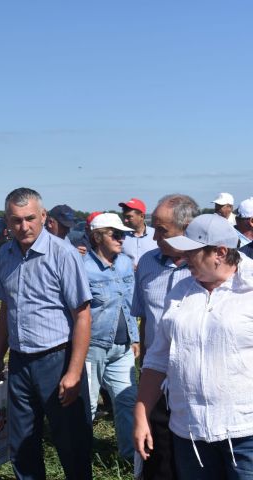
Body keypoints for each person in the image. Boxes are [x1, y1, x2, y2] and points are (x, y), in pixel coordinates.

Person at [134, 214, 253, 479]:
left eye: (192, 253)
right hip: (189, 433)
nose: (184, 259)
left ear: (220, 252)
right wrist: (141, 414)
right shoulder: (181, 293)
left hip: (245, 434)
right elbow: (157, 360)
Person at [0, 187, 93, 480]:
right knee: (22, 444)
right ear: (7, 222)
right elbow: (6, 311)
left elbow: (83, 316)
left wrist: (73, 373)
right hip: (20, 363)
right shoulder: (5, 255)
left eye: (30, 218)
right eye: (16, 220)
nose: (24, 226)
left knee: (72, 444)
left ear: (44, 216)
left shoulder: (63, 254)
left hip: (57, 360)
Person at [131, 193, 198, 480]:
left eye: (162, 230)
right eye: (154, 227)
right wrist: (145, 365)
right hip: (156, 379)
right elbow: (145, 317)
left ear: (186, 230)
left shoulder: (205, 269)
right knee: (158, 460)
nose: (154, 236)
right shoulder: (147, 262)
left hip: (193, 381)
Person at [83, 213, 138, 461]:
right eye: (115, 234)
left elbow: (130, 303)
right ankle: (80, 456)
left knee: (127, 401)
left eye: (123, 234)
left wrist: (134, 337)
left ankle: (129, 457)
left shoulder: (126, 263)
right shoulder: (83, 267)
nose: (121, 238)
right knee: (89, 405)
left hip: (122, 347)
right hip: (93, 346)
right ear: (97, 237)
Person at [119, 198, 157, 268]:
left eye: (129, 217)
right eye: (124, 217)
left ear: (142, 216)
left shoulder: (157, 235)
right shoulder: (119, 237)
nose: (125, 220)